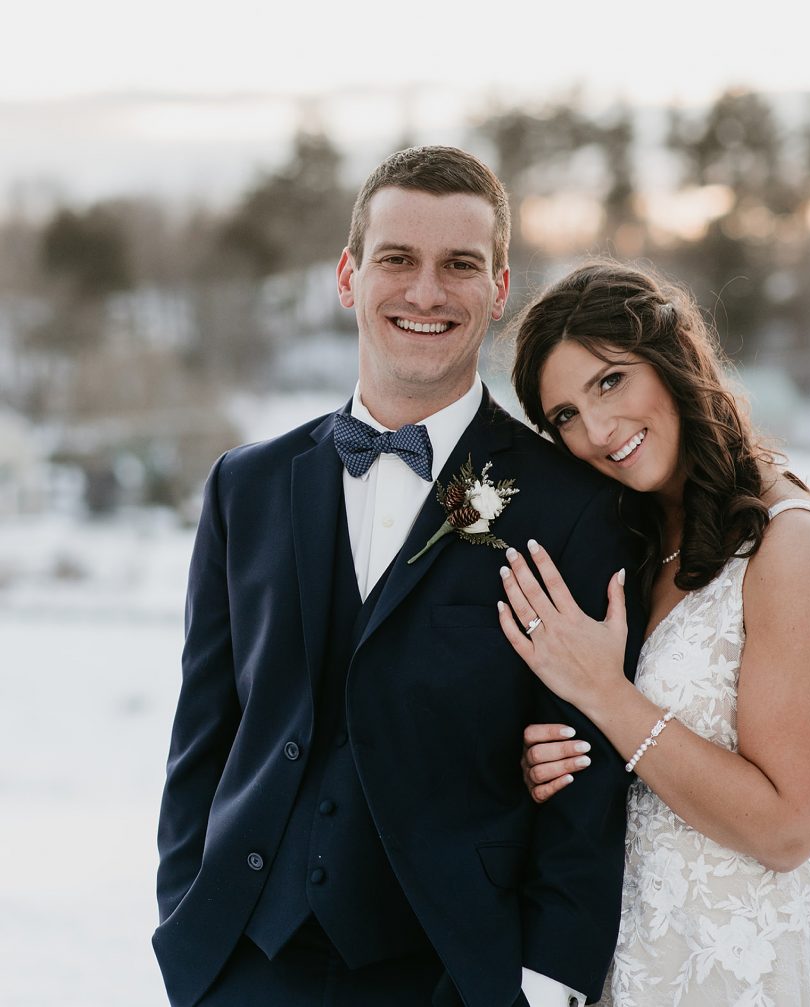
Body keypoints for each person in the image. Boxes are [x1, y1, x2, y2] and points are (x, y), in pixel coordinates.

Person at [153, 148, 646, 1007]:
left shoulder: (569, 504)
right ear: (349, 276)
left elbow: (584, 777)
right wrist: (188, 926)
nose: (425, 292)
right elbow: (205, 732)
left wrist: (547, 976)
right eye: (397, 259)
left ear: (497, 290)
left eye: (459, 265)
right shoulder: (248, 485)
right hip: (244, 960)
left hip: (458, 967)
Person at [497, 262, 810, 1005]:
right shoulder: (632, 540)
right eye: (565, 417)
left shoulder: (790, 543)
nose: (597, 431)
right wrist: (548, 758)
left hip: (749, 964)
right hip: (631, 961)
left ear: (673, 352)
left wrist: (605, 696)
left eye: (610, 381)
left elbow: (788, 826)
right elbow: (622, 753)